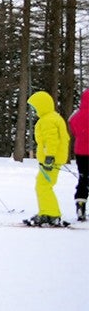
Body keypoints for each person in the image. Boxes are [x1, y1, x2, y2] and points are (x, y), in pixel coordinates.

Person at [25, 91, 70, 227]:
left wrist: (49, 157)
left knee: (43, 186)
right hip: (53, 158)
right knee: (43, 185)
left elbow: (51, 140)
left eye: (35, 107)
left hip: (51, 159)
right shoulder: (53, 117)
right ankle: (48, 212)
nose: (33, 110)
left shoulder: (47, 120)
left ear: (42, 106)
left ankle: (50, 214)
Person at [68, 89, 89, 222]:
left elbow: (73, 128)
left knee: (83, 178)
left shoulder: (76, 115)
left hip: (81, 151)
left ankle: (80, 205)